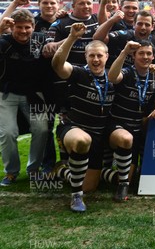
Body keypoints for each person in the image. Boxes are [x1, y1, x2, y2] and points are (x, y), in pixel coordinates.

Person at [52, 23, 125, 212]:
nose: (95, 59)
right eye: (91, 55)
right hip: (73, 127)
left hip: (99, 136)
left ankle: (62, 170)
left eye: (99, 55)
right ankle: (76, 197)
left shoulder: (113, 77)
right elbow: (57, 64)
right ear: (85, 57)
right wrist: (72, 38)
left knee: (90, 186)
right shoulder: (79, 73)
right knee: (83, 140)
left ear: (107, 57)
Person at [106, 40, 155, 200]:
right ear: (134, 56)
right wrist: (124, 52)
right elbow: (112, 77)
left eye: (148, 54)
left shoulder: (153, 78)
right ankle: (120, 184)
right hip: (118, 126)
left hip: (138, 129)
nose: (145, 57)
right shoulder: (127, 72)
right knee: (126, 140)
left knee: (128, 178)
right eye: (141, 53)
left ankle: (110, 173)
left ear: (153, 57)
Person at [0, 10, 50, 186]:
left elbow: (56, 46)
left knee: (42, 129)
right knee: (7, 132)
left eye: (27, 27)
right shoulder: (3, 41)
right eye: (18, 27)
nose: (23, 31)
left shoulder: (40, 39)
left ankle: (33, 169)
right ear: (11, 27)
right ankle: (11, 171)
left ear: (33, 27)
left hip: (33, 95)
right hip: (7, 94)